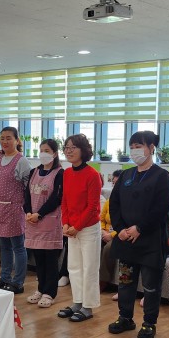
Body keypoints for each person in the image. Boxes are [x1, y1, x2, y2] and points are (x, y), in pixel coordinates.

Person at [107, 131, 169, 338]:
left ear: (151, 148)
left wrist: (139, 228)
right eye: (132, 146)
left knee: (151, 286)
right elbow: (114, 203)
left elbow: (162, 208)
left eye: (139, 146)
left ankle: (149, 323)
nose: (135, 150)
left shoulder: (161, 176)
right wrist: (120, 228)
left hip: (150, 241)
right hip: (126, 240)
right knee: (125, 282)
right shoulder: (126, 175)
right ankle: (125, 317)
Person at [57, 134, 102, 322]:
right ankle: (77, 301)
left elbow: (93, 207)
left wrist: (77, 226)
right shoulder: (67, 173)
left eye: (73, 147)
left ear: (83, 150)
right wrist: (66, 223)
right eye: (66, 147)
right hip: (72, 228)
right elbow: (64, 201)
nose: (69, 151)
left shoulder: (93, 175)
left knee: (89, 267)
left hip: (88, 228)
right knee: (74, 267)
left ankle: (88, 306)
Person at [0, 127, 31, 294]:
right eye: (2, 138)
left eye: (8, 138)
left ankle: (18, 282)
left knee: (18, 247)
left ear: (17, 140)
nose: (5, 141)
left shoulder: (21, 161)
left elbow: (28, 187)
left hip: (13, 209)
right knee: (4, 246)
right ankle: (4, 278)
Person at [24, 139, 64, 308]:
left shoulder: (60, 173)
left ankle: (50, 293)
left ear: (55, 153)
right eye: (41, 150)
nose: (43, 154)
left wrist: (39, 214)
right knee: (39, 259)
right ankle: (40, 289)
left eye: (47, 150)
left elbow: (56, 198)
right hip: (32, 222)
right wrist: (28, 211)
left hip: (49, 222)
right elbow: (26, 194)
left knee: (50, 260)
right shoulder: (34, 172)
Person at [100, 170, 122, 299]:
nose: (114, 186)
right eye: (113, 183)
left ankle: (103, 281)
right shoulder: (109, 201)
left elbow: (126, 223)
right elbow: (101, 219)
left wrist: (111, 235)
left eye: (117, 183)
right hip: (105, 232)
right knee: (92, 244)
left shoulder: (127, 202)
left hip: (119, 234)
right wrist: (103, 231)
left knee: (109, 248)